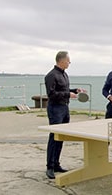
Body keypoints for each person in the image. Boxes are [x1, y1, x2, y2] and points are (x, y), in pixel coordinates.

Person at [44, 51, 84, 179]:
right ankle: (49, 166)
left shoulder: (64, 74)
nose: (69, 62)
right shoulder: (51, 75)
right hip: (55, 108)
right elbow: (51, 94)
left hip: (64, 108)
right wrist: (68, 95)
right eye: (68, 60)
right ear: (61, 61)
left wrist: (74, 90)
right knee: (54, 136)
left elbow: (63, 90)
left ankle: (56, 164)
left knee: (61, 136)